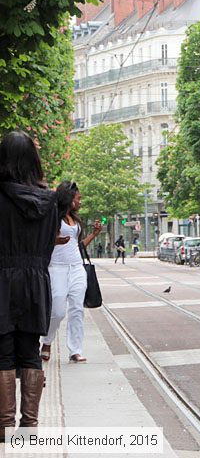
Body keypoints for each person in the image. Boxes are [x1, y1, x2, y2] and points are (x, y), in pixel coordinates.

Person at [0, 131, 59, 434]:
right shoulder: (49, 202)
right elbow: (49, 245)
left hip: (3, 281)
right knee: (30, 352)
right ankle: (30, 426)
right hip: (36, 281)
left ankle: (4, 425)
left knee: (4, 352)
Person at [40, 181, 101, 365]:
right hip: (56, 267)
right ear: (68, 198)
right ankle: (47, 342)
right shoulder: (52, 217)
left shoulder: (74, 219)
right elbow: (42, 241)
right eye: (78, 198)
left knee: (76, 309)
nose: (80, 202)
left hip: (76, 267)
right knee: (57, 310)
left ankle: (75, 350)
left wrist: (94, 234)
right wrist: (55, 241)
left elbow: (78, 246)